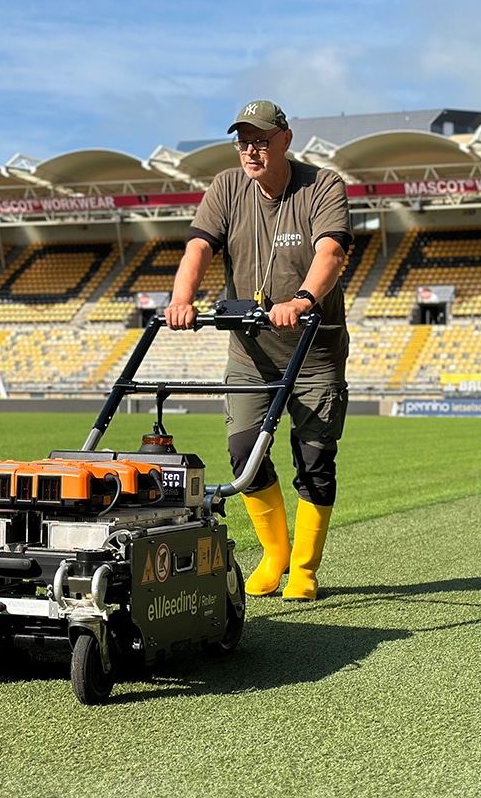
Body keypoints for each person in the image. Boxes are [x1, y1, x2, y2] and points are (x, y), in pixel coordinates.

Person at [164, 100, 352, 602]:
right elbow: (198, 247)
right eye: (243, 140)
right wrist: (182, 300)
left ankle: (305, 571)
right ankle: (275, 555)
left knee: (314, 458)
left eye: (261, 139)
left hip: (314, 350)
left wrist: (304, 299)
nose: (251, 149)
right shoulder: (226, 187)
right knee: (244, 452)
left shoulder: (322, 186)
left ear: (285, 140)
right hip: (251, 354)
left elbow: (330, 250)